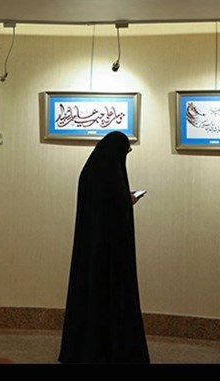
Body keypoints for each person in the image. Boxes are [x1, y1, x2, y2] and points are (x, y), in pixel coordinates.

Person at [58, 131, 150, 363]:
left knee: (88, 300)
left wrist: (123, 200)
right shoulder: (112, 176)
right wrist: (128, 201)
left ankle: (84, 350)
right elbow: (115, 213)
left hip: (89, 254)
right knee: (109, 302)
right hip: (110, 258)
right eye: (126, 151)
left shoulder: (90, 171)